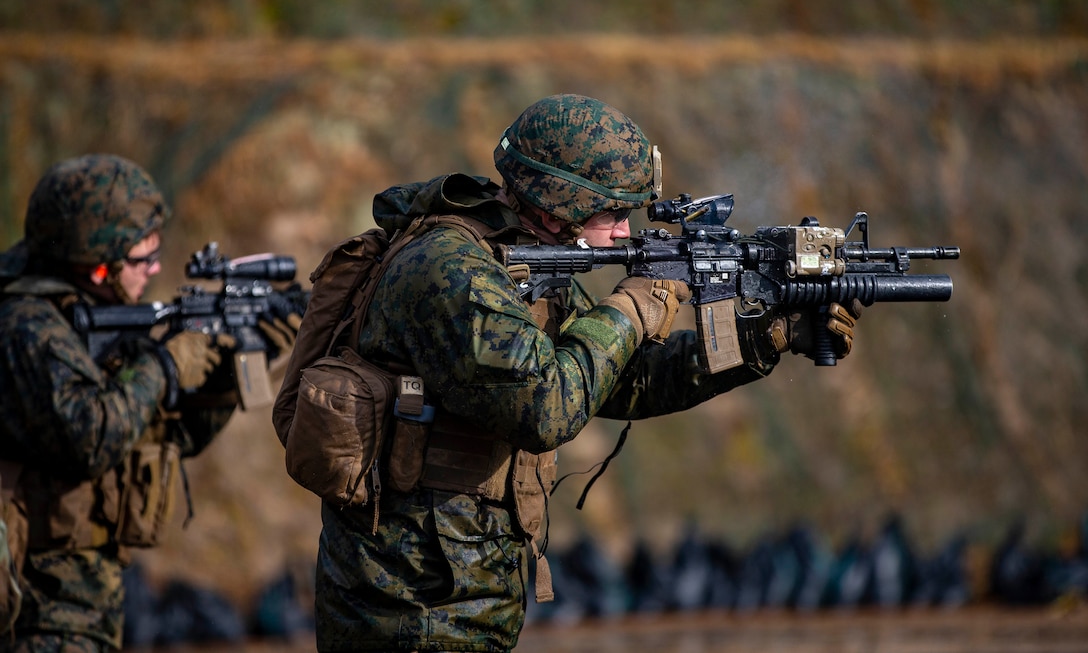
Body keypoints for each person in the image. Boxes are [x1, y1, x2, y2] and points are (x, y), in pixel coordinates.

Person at [303, 94, 862, 652]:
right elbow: (547, 406)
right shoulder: (452, 272)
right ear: (555, 209)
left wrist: (765, 337)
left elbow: (618, 379)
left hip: (452, 599)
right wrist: (633, 308)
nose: (624, 232)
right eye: (613, 213)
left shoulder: (516, 260)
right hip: (410, 607)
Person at [0, 154, 292, 652]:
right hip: (38, 608)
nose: (154, 270)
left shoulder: (94, 316)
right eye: (142, 259)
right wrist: (165, 365)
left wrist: (227, 370)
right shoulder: (29, 327)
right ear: (96, 263)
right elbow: (89, 438)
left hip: (86, 605)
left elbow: (171, 437)